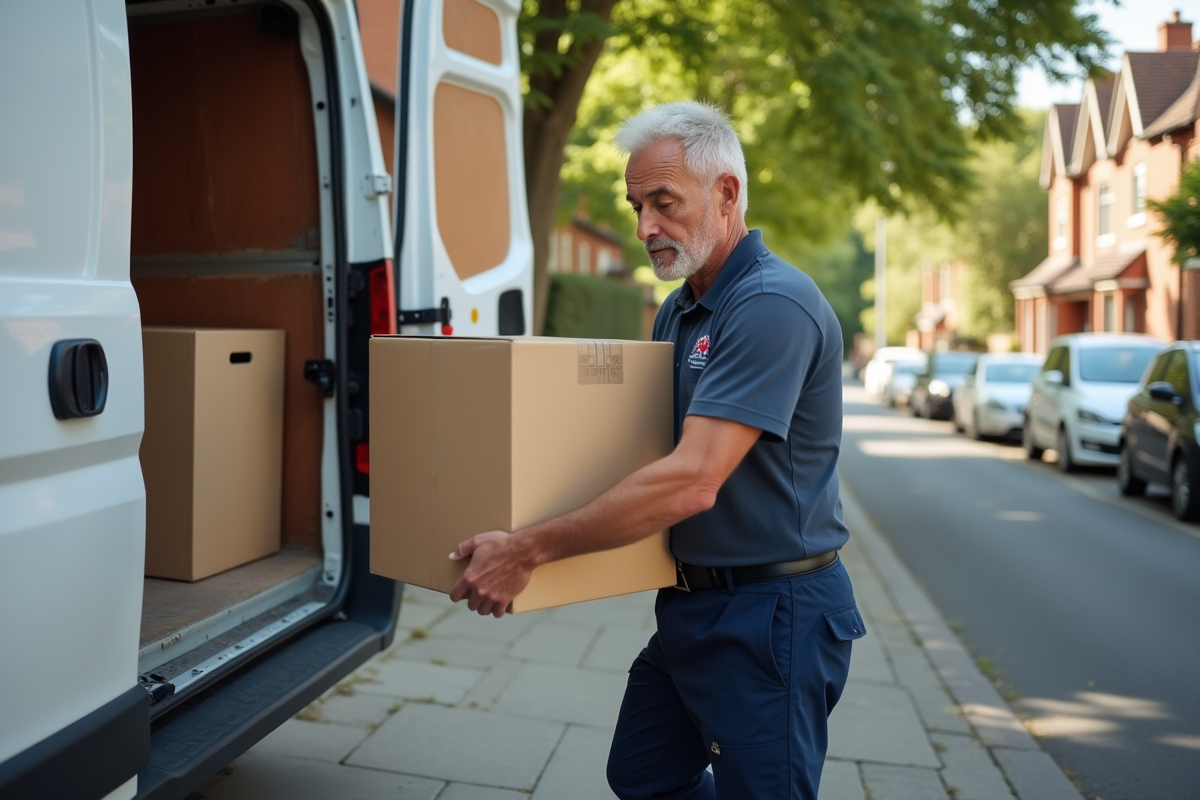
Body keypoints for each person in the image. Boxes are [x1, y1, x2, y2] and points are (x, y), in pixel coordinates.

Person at [448, 101, 864, 800]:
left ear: (726, 193)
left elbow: (691, 480)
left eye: (664, 203)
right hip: (692, 604)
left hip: (771, 615)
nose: (644, 227)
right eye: (636, 204)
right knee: (643, 773)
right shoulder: (681, 307)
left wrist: (530, 549)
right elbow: (635, 445)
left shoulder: (771, 305)